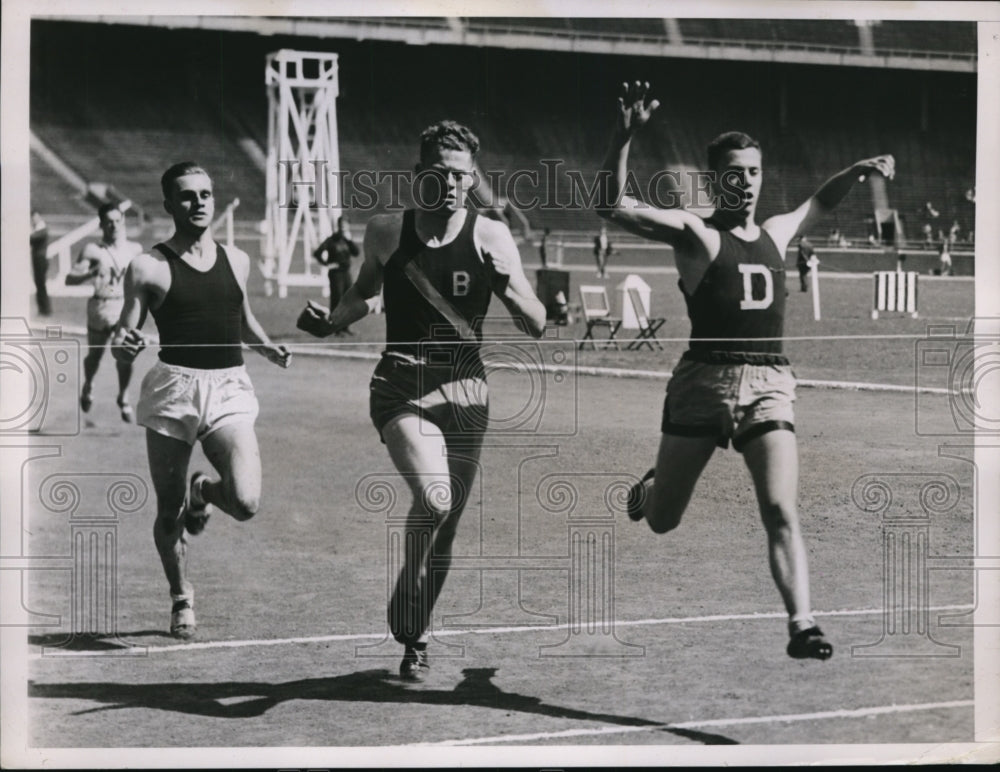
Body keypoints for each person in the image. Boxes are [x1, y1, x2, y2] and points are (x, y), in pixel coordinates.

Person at [598, 81, 896, 661]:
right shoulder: (696, 234)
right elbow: (611, 206)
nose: (747, 181)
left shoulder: (779, 231)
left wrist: (856, 169)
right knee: (662, 522)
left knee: (781, 507)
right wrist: (623, 138)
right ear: (715, 179)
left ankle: (802, 624)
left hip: (769, 385)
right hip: (703, 384)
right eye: (735, 172)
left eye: (755, 171)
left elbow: (822, 203)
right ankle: (654, 487)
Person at [298, 121, 546, 681]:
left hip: (467, 389)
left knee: (449, 525)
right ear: (420, 175)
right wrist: (332, 320)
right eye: (442, 173)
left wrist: (515, 294)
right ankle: (409, 590)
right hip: (401, 382)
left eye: (464, 175)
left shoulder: (493, 236)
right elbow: (365, 293)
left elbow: (535, 320)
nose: (454, 184)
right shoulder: (387, 230)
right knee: (434, 499)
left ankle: (417, 637)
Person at [111, 162, 292, 639]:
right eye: (187, 196)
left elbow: (242, 315)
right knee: (167, 510)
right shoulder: (148, 266)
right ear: (170, 204)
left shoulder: (238, 259)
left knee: (247, 501)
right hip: (175, 390)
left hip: (229, 386)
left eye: (206, 194)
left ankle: (205, 492)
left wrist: (267, 346)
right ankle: (180, 595)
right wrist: (124, 343)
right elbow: (125, 332)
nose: (199, 203)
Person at [65, 203, 144, 421]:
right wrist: (90, 272)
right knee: (96, 355)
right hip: (101, 306)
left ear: (123, 221)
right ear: (101, 224)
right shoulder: (93, 250)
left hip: (124, 306)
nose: (114, 225)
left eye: (118, 220)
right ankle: (89, 385)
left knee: (125, 355)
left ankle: (123, 396)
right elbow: (69, 279)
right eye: (108, 222)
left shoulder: (135, 249)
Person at [313, 216, 360, 334]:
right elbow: (317, 253)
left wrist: (349, 240)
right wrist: (327, 264)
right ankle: (336, 328)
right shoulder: (331, 240)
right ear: (338, 226)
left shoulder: (347, 241)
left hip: (346, 273)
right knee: (337, 299)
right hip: (336, 274)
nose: (343, 227)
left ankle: (346, 327)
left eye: (345, 225)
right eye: (341, 225)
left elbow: (356, 253)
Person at [30, 211, 52, 316]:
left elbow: (32, 238)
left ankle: (45, 309)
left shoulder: (42, 229)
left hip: (40, 260)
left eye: (35, 217)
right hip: (38, 259)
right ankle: (43, 309)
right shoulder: (39, 228)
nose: (34, 220)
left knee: (41, 284)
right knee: (39, 284)